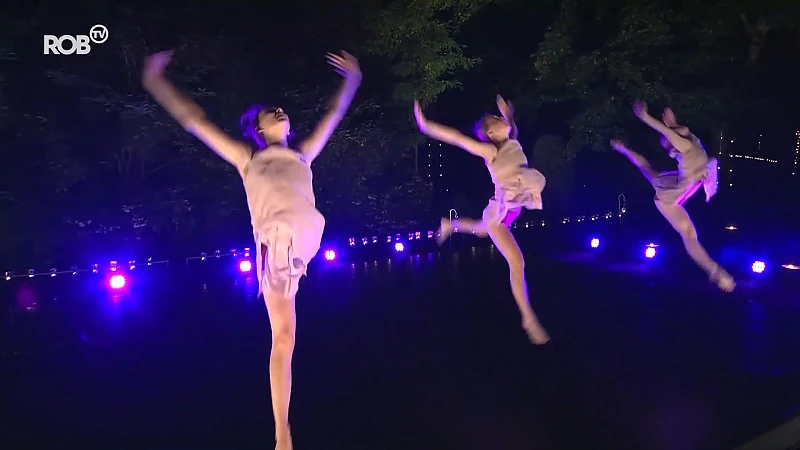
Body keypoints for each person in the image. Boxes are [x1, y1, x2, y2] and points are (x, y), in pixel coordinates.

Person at [142, 49, 362, 450]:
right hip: (277, 251)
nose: (279, 111)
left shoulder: (302, 154)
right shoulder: (248, 159)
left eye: (280, 109)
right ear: (257, 129)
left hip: (302, 246)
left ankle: (283, 433)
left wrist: (352, 80)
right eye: (269, 112)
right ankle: (282, 433)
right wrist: (157, 82)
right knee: (283, 340)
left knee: (286, 339)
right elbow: (196, 122)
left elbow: (333, 116)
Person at [413, 95, 550, 345]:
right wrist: (426, 125)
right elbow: (457, 138)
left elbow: (512, 126)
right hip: (501, 214)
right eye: (496, 120)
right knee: (516, 261)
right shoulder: (490, 150)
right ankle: (527, 317)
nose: (501, 119)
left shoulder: (511, 140)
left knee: (480, 229)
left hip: (511, 207)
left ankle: (449, 224)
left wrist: (507, 114)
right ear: (490, 132)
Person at [611, 100, 735, 292]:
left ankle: (715, 272)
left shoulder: (687, 140)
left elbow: (669, 134)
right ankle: (715, 272)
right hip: (669, 198)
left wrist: (668, 122)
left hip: (678, 185)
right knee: (689, 235)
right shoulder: (684, 147)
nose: (668, 144)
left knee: (654, 173)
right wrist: (645, 117)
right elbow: (665, 138)